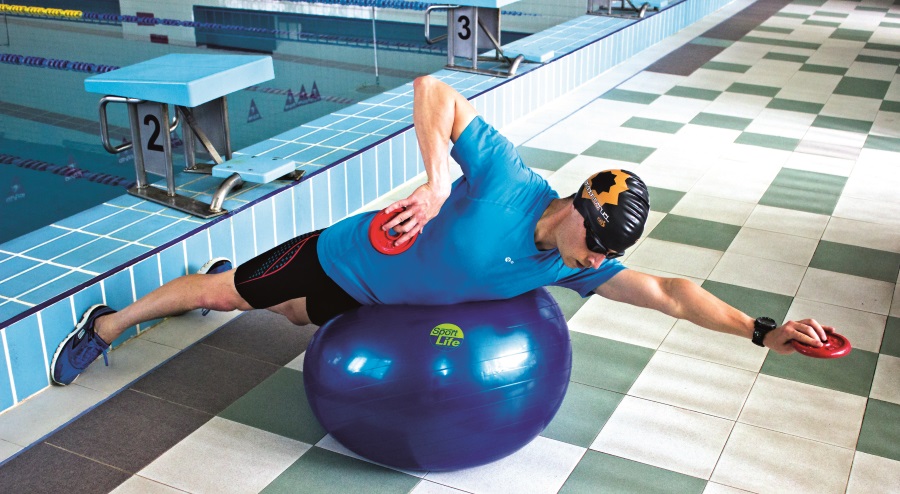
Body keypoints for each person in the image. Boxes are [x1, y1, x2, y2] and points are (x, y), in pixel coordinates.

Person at [51, 76, 833, 386]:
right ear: (576, 210)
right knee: (231, 295)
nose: (597, 264)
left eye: (604, 257)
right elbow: (434, 89)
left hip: (380, 304)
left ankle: (227, 290)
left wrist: (760, 330)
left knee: (284, 316)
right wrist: (433, 182)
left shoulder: (564, 266)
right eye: (596, 244)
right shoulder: (506, 180)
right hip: (339, 259)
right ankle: (109, 323)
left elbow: (668, 291)